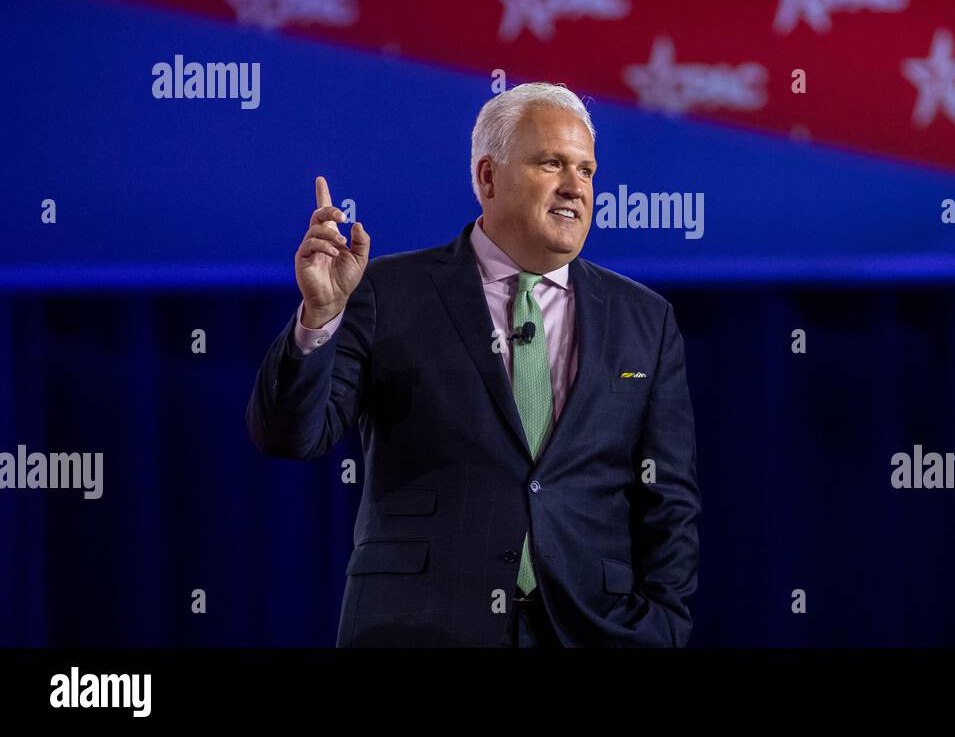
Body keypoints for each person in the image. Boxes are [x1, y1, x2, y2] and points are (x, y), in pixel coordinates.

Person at [246, 82, 701, 647]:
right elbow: (290, 436)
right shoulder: (385, 292)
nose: (574, 188)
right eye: (551, 163)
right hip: (419, 629)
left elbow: (670, 501)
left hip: (592, 632)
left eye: (586, 170)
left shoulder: (644, 319)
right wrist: (320, 316)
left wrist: (663, 628)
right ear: (487, 177)